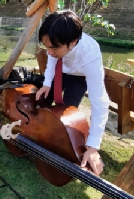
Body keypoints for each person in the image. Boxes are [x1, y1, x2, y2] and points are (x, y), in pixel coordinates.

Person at [35, 10, 110, 176]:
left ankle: (59, 142)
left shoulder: (90, 56)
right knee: (41, 99)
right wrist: (47, 84)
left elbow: (100, 102)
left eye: (53, 47)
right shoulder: (56, 44)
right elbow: (52, 60)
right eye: (46, 47)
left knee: (67, 114)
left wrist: (93, 146)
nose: (49, 52)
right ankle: (38, 132)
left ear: (73, 42)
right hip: (60, 70)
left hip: (79, 77)